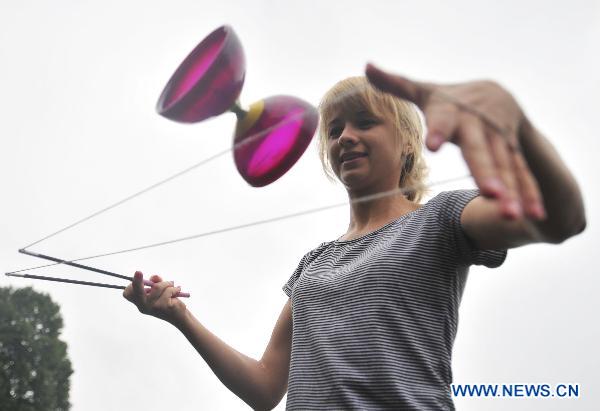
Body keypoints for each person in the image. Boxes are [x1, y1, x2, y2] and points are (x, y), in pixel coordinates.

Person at [123, 64, 586, 410]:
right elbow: (265, 388)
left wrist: (519, 128)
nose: (345, 137)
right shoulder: (314, 263)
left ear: (407, 141)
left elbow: (560, 219)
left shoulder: (440, 218)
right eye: (335, 129)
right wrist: (180, 317)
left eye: (365, 121)